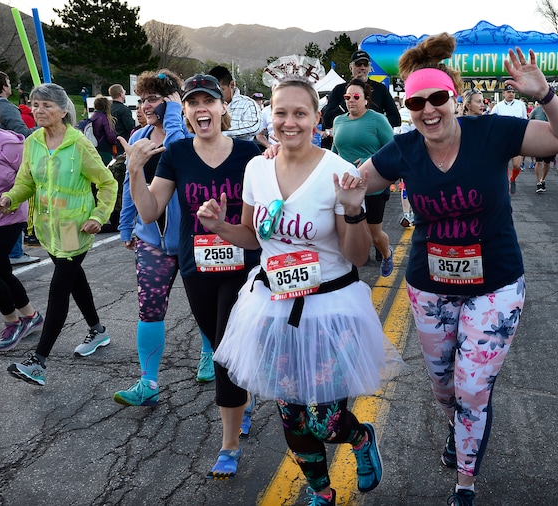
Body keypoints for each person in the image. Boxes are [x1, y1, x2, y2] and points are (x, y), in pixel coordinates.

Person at [355, 33, 558, 506]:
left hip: (495, 285)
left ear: (454, 98)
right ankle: (460, 431)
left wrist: (545, 96)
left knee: (472, 387)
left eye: (438, 97)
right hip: (430, 288)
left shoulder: (494, 132)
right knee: (444, 388)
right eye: (417, 101)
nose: (429, 109)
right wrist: (284, 155)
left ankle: (465, 482)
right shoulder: (403, 149)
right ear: (408, 105)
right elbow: (350, 180)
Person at [196, 74, 401, 506]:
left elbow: (358, 255)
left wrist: (352, 210)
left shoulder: (339, 172)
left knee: (324, 420)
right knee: (290, 414)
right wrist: (220, 227)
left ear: (317, 119)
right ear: (271, 116)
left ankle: (361, 438)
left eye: (300, 113)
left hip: (329, 307)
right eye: (281, 113)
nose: (290, 122)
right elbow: (254, 237)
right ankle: (320, 490)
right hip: (272, 305)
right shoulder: (257, 167)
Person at [119, 73, 261, 477]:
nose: (202, 108)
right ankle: (244, 401)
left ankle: (228, 445)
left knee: (224, 355)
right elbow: (150, 211)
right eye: (194, 102)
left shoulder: (249, 152)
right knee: (221, 346)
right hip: (196, 266)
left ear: (222, 108)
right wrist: (134, 170)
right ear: (185, 111)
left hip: (242, 263)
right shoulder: (177, 153)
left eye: (209, 101)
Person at [0, 83, 118, 386]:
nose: (38, 110)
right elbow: (26, 182)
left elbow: (107, 183)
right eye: (35, 104)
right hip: (47, 230)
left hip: (74, 229)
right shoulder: (33, 142)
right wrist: (10, 199)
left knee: (59, 288)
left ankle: (38, 361)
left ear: (64, 110)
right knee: (75, 280)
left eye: (47, 105)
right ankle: (98, 331)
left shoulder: (78, 144)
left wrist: (98, 216)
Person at [113, 69, 198, 407]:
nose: (146, 105)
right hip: (151, 240)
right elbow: (129, 186)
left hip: (192, 239)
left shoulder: (190, 138)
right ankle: (148, 383)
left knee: (202, 307)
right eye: (143, 98)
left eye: (154, 99)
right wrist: (125, 226)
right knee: (149, 310)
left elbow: (180, 157)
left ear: (173, 102)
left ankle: (208, 354)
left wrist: (175, 114)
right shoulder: (139, 138)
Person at [0, 95, 44, 352]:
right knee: (1, 272)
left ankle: (13, 321)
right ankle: (31, 316)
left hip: (6, 216)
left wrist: (12, 200)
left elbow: (32, 177)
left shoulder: (8, 145)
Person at [332, 78, 395, 276]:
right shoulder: (338, 120)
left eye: (356, 96)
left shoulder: (377, 120)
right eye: (347, 97)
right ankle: (346, 273)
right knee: (346, 232)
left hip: (372, 183)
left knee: (374, 235)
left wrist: (369, 159)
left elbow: (392, 147)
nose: (351, 100)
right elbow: (335, 149)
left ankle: (386, 253)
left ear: (366, 99)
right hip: (346, 186)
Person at [0, 71, 39, 265]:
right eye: (9, 83)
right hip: (4, 174)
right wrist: (40, 128)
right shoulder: (7, 109)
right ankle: (14, 253)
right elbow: (23, 133)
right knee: (0, 273)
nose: (12, 87)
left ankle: (12, 253)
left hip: (2, 206)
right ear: (4, 87)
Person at [321, 50, 401, 149]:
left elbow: (395, 118)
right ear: (351, 66)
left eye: (365, 64)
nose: (362, 67)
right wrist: (344, 105)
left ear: (369, 67)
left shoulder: (380, 89)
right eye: (358, 64)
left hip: (371, 147)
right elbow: (327, 120)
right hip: (345, 144)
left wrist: (375, 125)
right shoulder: (339, 89)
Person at [208, 66, 262, 142]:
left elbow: (254, 126)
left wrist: (221, 132)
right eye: (213, 91)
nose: (216, 95)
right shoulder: (208, 106)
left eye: (221, 90)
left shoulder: (248, 104)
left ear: (232, 85)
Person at [490, 85, 528, 194]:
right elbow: (492, 122)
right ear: (504, 94)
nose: (511, 94)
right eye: (509, 92)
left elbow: (525, 120)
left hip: (517, 138)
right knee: (503, 164)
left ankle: (513, 179)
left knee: (517, 164)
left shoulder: (520, 105)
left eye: (513, 92)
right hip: (502, 139)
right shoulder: (498, 106)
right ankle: (506, 183)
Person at [528, 101, 555, 192]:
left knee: (547, 163)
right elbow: (529, 121)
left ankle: (543, 179)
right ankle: (538, 182)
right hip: (538, 139)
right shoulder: (536, 110)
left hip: (551, 140)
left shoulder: (554, 111)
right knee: (538, 161)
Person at [88, 95, 117, 164]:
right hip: (104, 149)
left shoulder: (92, 117)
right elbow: (111, 137)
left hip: (94, 147)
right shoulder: (105, 118)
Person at [109, 84, 136, 154]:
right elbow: (130, 127)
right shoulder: (124, 110)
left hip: (110, 141)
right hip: (122, 142)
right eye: (124, 91)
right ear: (121, 94)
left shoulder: (108, 109)